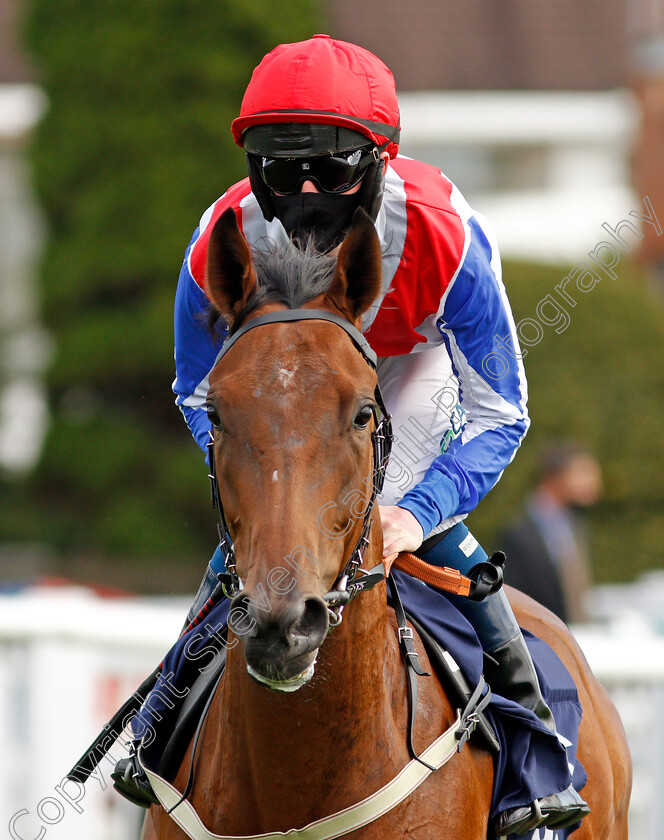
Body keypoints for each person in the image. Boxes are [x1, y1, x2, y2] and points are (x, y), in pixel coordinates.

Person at [112, 35, 589, 836]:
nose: (303, 187)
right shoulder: (218, 240)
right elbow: (197, 393)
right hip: (286, 398)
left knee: (427, 542)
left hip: (417, 374)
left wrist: (418, 510)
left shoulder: (445, 234)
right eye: (277, 161)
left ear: (380, 162)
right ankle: (159, 726)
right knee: (261, 550)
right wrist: (267, 485)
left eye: (330, 164)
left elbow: (501, 410)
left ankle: (540, 763)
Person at [501, 442, 603, 624]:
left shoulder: (575, 524)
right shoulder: (520, 534)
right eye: (582, 473)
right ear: (555, 477)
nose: (593, 482)